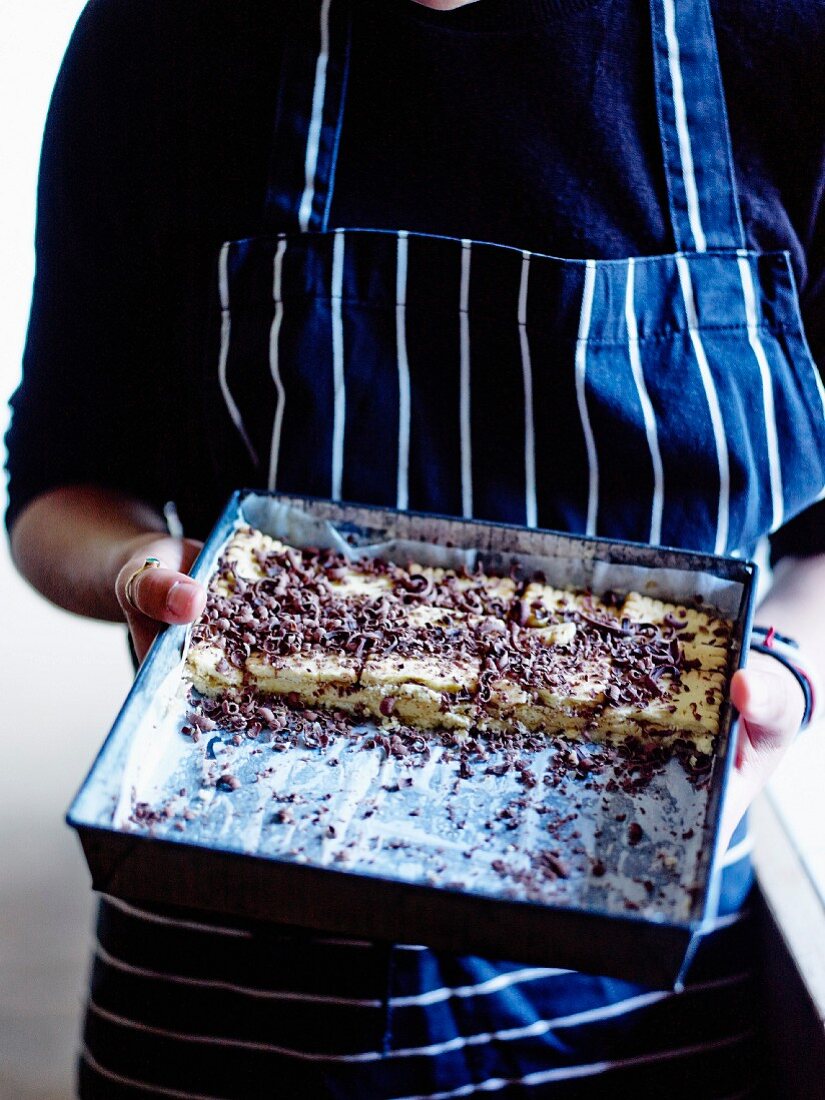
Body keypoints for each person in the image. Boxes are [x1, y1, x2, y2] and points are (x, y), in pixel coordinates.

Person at [6, 0, 825, 1095]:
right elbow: (58, 476)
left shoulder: (782, 39)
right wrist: (139, 571)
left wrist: (786, 673)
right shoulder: (162, 34)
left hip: (637, 990)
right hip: (231, 988)